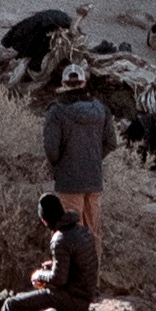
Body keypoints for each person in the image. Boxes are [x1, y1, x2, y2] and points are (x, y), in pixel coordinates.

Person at [42, 73, 110, 239]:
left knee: (71, 234)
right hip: (93, 178)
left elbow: (51, 149)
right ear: (84, 82)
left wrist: (61, 164)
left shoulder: (56, 111)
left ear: (64, 83)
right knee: (93, 232)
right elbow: (111, 142)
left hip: (69, 181)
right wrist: (93, 158)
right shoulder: (100, 109)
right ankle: (95, 265)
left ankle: (74, 266)